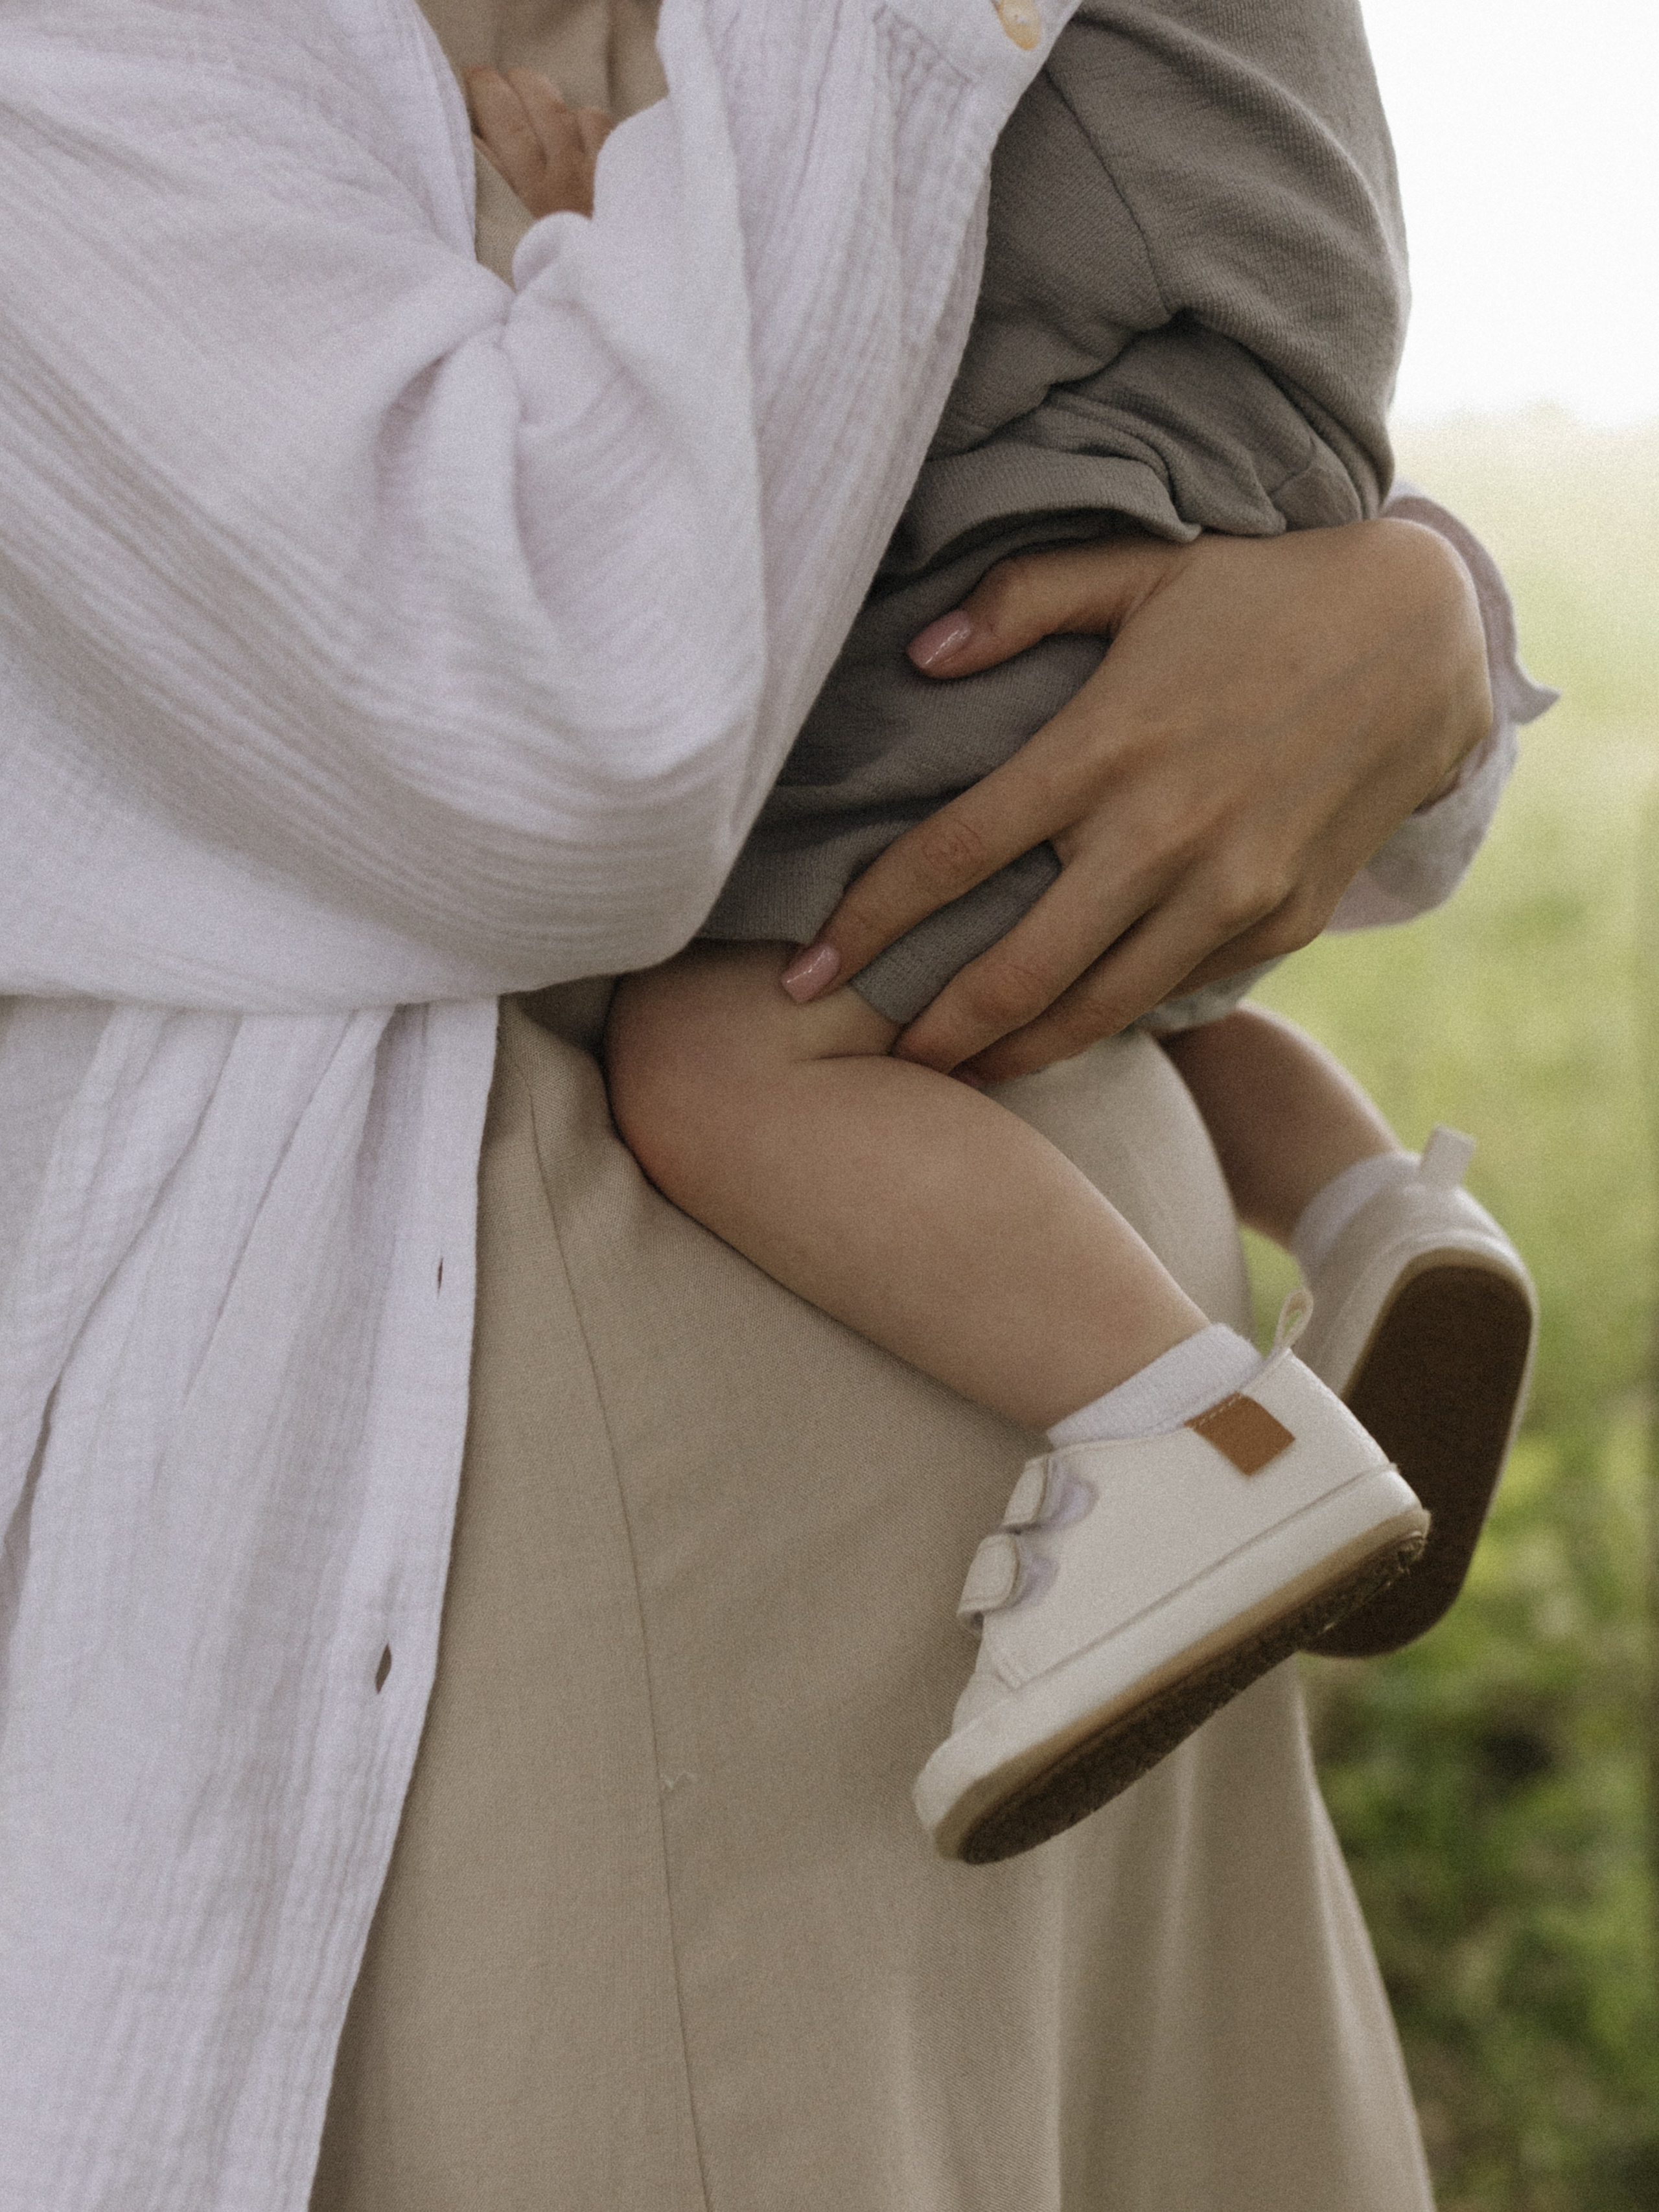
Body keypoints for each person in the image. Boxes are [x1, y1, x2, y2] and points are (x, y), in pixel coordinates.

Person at [0, 1, 1548, 2205]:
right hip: (624, 1644)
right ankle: (1356, 1237)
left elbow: (957, 515)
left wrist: (1411, 619)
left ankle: (1304, 1314)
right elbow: (561, 732)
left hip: (1106, 1558)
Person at [470, 49, 1541, 1865]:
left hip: (1060, 502)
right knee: (1104, 979)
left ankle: (1190, 1445)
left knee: (731, 1050)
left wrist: (608, 227)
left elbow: (818, 215)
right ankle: (1377, 1212)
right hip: (1258, 468)